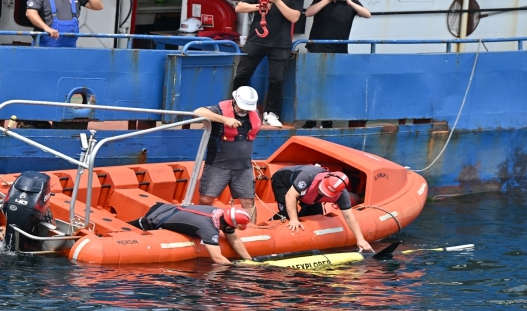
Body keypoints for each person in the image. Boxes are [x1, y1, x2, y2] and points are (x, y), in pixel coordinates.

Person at [233, 0, 304, 128]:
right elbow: (239, 7)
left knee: (276, 80)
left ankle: (271, 113)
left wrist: (277, 1)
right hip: (257, 40)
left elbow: (294, 17)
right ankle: (236, 108)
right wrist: (260, 6)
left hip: (280, 43)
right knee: (242, 74)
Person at [303, 0, 371, 129]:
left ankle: (328, 119)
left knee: (332, 87)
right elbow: (308, 13)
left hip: (339, 51)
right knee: (314, 86)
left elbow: (367, 14)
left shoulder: (352, 4)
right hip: (316, 49)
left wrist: (349, 1)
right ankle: (310, 119)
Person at [193, 86, 260, 223]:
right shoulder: (219, 110)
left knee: (248, 201)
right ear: (235, 100)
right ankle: (200, 225)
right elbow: (198, 112)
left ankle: (251, 232)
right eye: (242, 107)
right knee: (206, 199)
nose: (245, 110)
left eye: (248, 108)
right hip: (218, 164)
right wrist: (224, 120)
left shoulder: (254, 112)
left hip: (243, 166)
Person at [270, 165, 374, 252]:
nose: (321, 192)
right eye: (322, 190)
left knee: (315, 215)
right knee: (287, 214)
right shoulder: (307, 176)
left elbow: (349, 216)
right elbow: (290, 196)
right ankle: (271, 222)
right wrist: (294, 219)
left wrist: (360, 239)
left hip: (309, 196)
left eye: (325, 193)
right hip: (284, 180)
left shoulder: (342, 195)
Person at [128, 204, 252, 265]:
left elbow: (234, 240)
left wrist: (249, 261)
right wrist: (236, 269)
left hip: (164, 207)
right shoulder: (208, 229)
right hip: (154, 219)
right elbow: (217, 257)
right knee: (127, 228)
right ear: (230, 224)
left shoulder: (218, 213)